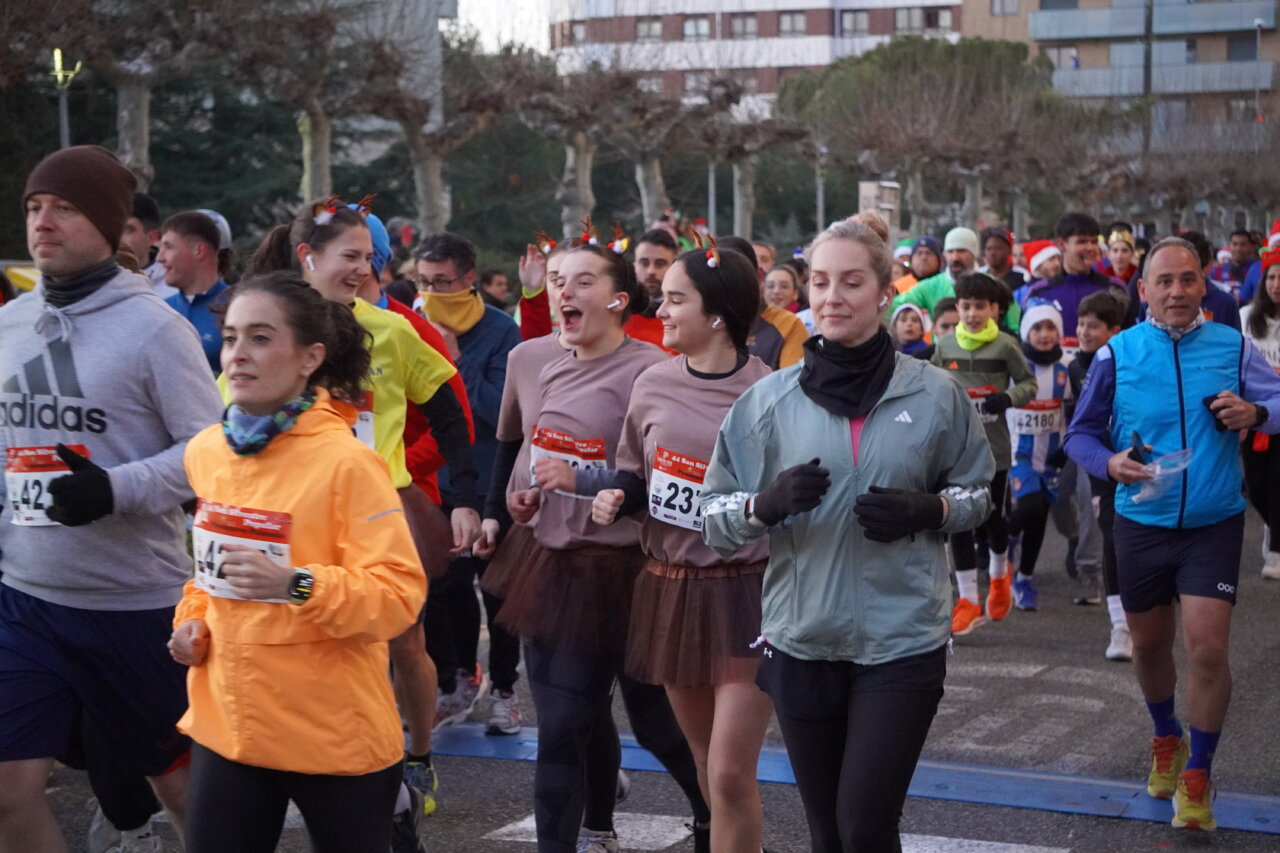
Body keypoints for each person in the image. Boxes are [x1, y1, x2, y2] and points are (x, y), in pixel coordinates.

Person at [701, 219, 994, 852]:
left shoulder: (937, 394)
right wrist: (764, 504)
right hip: (803, 636)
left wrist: (931, 510)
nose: (832, 297)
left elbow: (980, 497)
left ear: (886, 292)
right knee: (827, 832)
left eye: (852, 282)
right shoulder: (766, 402)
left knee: (865, 826)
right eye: (821, 283)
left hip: (904, 638)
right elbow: (713, 519)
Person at [0, 145, 224, 853]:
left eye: (64, 207)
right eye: (35, 206)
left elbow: (210, 454)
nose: (44, 221)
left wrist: (114, 488)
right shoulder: (9, 322)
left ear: (106, 220)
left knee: (184, 791)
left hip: (135, 606)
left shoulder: (157, 327)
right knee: (7, 793)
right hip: (26, 597)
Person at [246, 200, 480, 851]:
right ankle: (345, 782)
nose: (366, 267)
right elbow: (224, 421)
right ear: (308, 258)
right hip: (295, 523)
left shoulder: (394, 330)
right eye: (352, 255)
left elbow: (452, 412)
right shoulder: (264, 329)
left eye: (369, 256)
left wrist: (464, 494)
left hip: (382, 515)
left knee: (399, 644)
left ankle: (414, 758)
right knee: (328, 653)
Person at [170, 273, 426, 853]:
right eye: (231, 337)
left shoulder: (348, 465)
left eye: (261, 338)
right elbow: (208, 574)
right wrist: (191, 621)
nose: (238, 355)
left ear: (311, 357)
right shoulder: (205, 451)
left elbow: (398, 596)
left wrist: (297, 584)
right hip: (229, 723)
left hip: (332, 733)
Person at [487, 243, 710, 853]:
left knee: (655, 722)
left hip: (633, 566)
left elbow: (666, 477)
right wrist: (504, 504)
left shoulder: (654, 372)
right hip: (552, 564)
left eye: (583, 281)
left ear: (617, 299)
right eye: (558, 280)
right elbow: (515, 446)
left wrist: (592, 484)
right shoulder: (528, 359)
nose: (565, 291)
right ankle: (580, 837)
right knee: (562, 724)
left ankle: (715, 812)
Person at [562, 246, 774, 852]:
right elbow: (636, 472)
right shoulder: (651, 382)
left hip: (747, 587)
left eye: (677, 298)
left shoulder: (772, 392)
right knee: (707, 764)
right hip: (672, 586)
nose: (661, 307)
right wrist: (616, 497)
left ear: (718, 316)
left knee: (732, 772)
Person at [1065, 236, 1280, 832]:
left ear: (1203, 285)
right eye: (1164, 282)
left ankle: (1199, 775)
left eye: (1188, 280)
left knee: (1208, 648)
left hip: (1212, 522)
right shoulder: (1118, 354)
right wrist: (1109, 464)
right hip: (1141, 522)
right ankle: (1167, 736)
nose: (1177, 291)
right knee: (1151, 646)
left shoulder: (1232, 347)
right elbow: (1078, 436)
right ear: (1144, 291)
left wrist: (1257, 414)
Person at [414, 232, 524, 734]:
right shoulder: (411, 326)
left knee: (498, 593)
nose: (433, 291)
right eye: (423, 281)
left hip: (492, 480)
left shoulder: (502, 332)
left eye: (443, 281)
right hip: (437, 481)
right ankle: (457, 676)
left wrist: (453, 359)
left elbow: (500, 412)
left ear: (469, 280)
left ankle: (504, 690)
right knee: (441, 583)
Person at [932, 273, 1038, 635]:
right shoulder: (945, 346)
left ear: (994, 309)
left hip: (993, 450)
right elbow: (930, 383)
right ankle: (967, 600)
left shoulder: (1006, 347)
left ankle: (998, 576)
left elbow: (1029, 382)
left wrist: (1007, 398)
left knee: (992, 520)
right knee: (958, 520)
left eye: (980, 306)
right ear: (956, 308)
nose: (972, 313)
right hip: (953, 452)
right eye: (966, 306)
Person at [1067, 290, 1131, 659]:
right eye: (1081, 324)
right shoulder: (1076, 368)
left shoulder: (1128, 361)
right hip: (1099, 466)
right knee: (1110, 535)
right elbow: (1080, 426)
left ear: (1115, 331)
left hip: (1134, 459)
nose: (1084, 331)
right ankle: (1119, 625)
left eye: (1094, 326)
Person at [1005, 304, 1073, 611]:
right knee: (1029, 507)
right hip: (1019, 455)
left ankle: (1024, 578)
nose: (1044, 335)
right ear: (1025, 333)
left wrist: (1068, 446)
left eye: (1050, 328)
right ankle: (1003, 536)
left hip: (1052, 457)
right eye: (1037, 329)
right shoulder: (1015, 367)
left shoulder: (1067, 368)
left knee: (1039, 518)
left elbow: (1073, 411)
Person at [1024, 213, 1127, 352]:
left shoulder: (1114, 288)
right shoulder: (1039, 292)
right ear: (1061, 244)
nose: (1090, 248)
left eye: (1094, 241)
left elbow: (1128, 338)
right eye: (1082, 241)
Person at [1239, 246, 1280, 580]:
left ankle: (1278, 550)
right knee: (1254, 484)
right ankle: (1273, 526)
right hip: (1252, 415)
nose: (1277, 284)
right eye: (1272, 276)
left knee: (1278, 481)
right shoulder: (1245, 317)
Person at [158, 211, 231, 374]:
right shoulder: (160, 309)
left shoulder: (237, 306)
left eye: (168, 247)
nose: (159, 258)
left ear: (199, 251)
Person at [721, 237, 808, 370]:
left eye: (736, 274)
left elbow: (791, 385)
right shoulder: (694, 322)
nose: (725, 284)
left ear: (759, 276)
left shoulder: (788, 325)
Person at [120, 191, 170, 295]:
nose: (117, 237)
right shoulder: (90, 283)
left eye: (127, 230)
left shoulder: (172, 289)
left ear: (152, 237)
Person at [1209, 230, 1257, 301]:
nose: (1238, 249)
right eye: (1235, 244)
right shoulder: (1217, 271)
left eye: (1243, 244)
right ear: (1229, 246)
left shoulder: (1256, 269)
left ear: (1249, 247)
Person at [979, 226, 1028, 294]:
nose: (992, 253)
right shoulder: (979, 276)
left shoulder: (1024, 277)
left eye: (998, 248)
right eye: (989, 249)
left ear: (1010, 250)